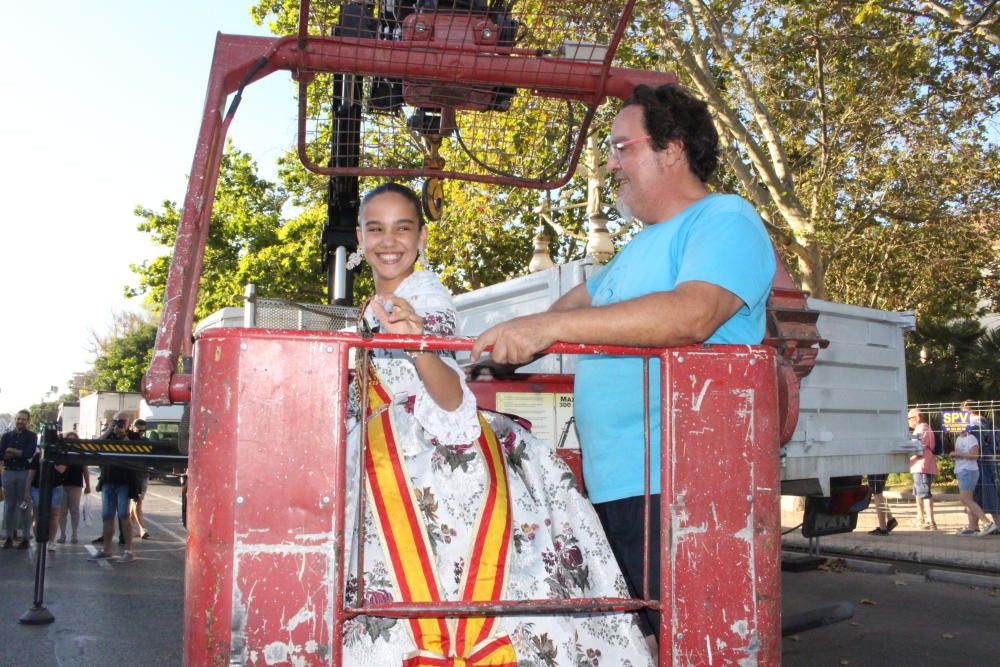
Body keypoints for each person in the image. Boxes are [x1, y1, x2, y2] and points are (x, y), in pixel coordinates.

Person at [471, 84, 776, 639]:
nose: (611, 163)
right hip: (616, 486)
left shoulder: (724, 218)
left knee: (682, 639)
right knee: (637, 642)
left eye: (621, 147)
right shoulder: (638, 248)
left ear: (672, 149)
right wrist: (480, 342)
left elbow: (693, 314)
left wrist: (547, 328)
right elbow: (574, 306)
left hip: (680, 484)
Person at [339, 183, 653, 665]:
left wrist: (419, 343)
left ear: (422, 237)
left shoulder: (422, 296)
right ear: (360, 238)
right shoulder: (375, 305)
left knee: (459, 577)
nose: (389, 241)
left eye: (403, 228)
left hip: (431, 458)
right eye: (376, 229)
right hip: (381, 454)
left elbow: (446, 391)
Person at [89, 411, 136, 562]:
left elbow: (135, 450)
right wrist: (109, 431)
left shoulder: (132, 437)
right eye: (117, 421)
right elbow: (95, 446)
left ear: (128, 423)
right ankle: (107, 549)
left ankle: (128, 550)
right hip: (108, 480)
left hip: (124, 481)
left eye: (122, 421)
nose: (119, 424)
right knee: (107, 516)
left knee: (124, 514)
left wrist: (123, 435)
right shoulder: (107, 436)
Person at [950, 425, 997, 536]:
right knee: (969, 500)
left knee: (965, 499)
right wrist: (955, 455)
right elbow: (959, 454)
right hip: (961, 470)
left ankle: (987, 522)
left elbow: (975, 455)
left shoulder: (971, 438)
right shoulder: (958, 439)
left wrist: (958, 454)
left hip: (968, 470)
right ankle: (973, 526)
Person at [2, 409, 37, 549]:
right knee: (9, 506)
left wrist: (11, 451)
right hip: (9, 473)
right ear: (15, 419)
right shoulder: (6, 436)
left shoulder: (31, 436)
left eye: (23, 419)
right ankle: (9, 537)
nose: (20, 421)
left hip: (24, 473)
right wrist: (18, 453)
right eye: (18, 418)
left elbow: (28, 453)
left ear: (28, 421)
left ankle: (25, 538)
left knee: (24, 506)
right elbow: (2, 455)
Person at [962, 401, 999, 529]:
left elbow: (975, 447)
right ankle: (990, 522)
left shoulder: (972, 424)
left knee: (978, 491)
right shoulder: (986, 423)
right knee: (990, 488)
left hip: (977, 461)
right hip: (988, 459)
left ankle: (974, 525)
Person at [25, 444, 67, 552]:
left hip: (55, 487)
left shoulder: (61, 456)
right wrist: (27, 490)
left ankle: (51, 541)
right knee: (37, 514)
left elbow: (62, 469)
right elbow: (31, 473)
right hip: (37, 487)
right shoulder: (38, 456)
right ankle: (37, 539)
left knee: (54, 514)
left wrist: (49, 461)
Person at [57, 432, 91, 544]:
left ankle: (74, 533)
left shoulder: (80, 453)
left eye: (74, 440)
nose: (71, 442)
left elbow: (85, 469)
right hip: (62, 484)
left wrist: (88, 485)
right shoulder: (61, 452)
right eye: (69, 440)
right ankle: (62, 534)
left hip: (76, 484)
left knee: (74, 510)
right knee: (62, 511)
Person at [907, 409, 938, 529]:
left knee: (925, 493)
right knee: (918, 492)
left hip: (922, 465)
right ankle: (920, 518)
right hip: (919, 465)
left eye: (910, 418)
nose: (908, 421)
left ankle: (931, 521)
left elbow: (915, 446)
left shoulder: (922, 429)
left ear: (917, 418)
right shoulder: (923, 428)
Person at [128, 419, 150, 539]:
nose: (141, 433)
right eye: (139, 430)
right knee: (137, 501)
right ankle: (142, 528)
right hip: (132, 475)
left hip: (143, 474)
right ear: (133, 427)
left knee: (136, 502)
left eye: (143, 430)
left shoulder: (146, 441)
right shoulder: (129, 440)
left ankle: (129, 529)